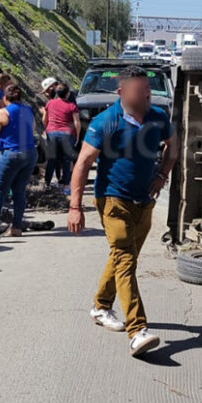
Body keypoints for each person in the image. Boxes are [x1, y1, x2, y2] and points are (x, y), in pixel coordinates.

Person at [68, 65, 179, 358]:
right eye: (140, 91)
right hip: (113, 201)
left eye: (148, 90)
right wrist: (75, 207)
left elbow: (174, 146)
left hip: (144, 200)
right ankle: (137, 331)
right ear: (122, 93)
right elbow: (82, 164)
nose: (146, 95)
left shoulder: (158, 117)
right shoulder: (106, 121)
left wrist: (162, 174)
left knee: (122, 258)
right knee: (126, 260)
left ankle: (100, 306)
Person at [0, 85, 37, 237]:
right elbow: (32, 129)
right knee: (19, 191)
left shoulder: (3, 112)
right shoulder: (28, 110)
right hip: (30, 153)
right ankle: (16, 227)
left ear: (5, 98)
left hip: (11, 154)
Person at [42, 84, 81, 189]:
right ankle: (66, 185)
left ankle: (47, 183)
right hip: (67, 134)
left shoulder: (49, 103)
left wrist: (47, 129)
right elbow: (77, 123)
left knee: (52, 159)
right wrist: (77, 136)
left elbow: (44, 119)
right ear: (67, 94)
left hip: (52, 133)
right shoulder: (72, 106)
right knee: (66, 160)